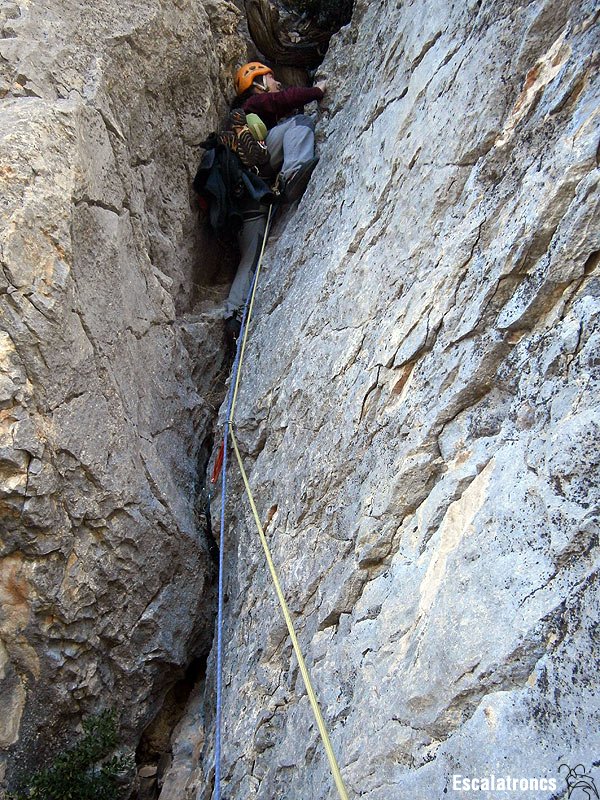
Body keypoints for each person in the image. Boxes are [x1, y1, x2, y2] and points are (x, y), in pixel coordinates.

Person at [193, 108, 276, 349]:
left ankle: (234, 313)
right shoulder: (242, 144)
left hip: (237, 215)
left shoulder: (225, 147)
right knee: (251, 260)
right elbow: (258, 159)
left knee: (248, 258)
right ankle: (234, 315)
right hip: (251, 214)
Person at [234, 62, 326, 202]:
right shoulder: (252, 103)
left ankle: (283, 182)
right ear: (259, 85)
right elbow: (284, 99)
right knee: (300, 121)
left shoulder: (252, 110)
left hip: (257, 168)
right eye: (271, 78)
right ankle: (292, 175)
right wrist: (316, 91)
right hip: (259, 159)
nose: (278, 83)